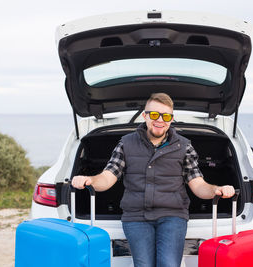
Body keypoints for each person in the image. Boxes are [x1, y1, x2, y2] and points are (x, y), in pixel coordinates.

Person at [72, 93, 235, 267]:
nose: (160, 120)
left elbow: (198, 184)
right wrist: (89, 180)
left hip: (173, 215)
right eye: (154, 114)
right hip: (136, 216)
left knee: (169, 265)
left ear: (171, 119)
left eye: (166, 116)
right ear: (145, 115)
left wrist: (216, 190)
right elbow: (108, 177)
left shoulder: (184, 146)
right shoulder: (126, 143)